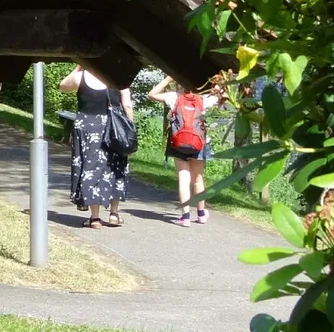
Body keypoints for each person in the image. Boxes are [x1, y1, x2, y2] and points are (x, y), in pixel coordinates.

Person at [147, 77, 224, 226]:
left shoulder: (174, 97)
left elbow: (151, 94)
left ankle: (186, 216)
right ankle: (201, 214)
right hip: (199, 144)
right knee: (198, 180)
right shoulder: (204, 98)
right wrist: (216, 81)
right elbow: (223, 95)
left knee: (184, 180)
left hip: (178, 142)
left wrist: (168, 79)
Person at [63, 67, 132, 228]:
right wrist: (128, 129)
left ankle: (95, 218)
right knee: (115, 167)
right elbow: (127, 104)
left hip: (88, 126)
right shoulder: (120, 77)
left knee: (90, 168)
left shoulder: (81, 77)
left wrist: (78, 66)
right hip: (114, 127)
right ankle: (114, 214)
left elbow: (63, 86)